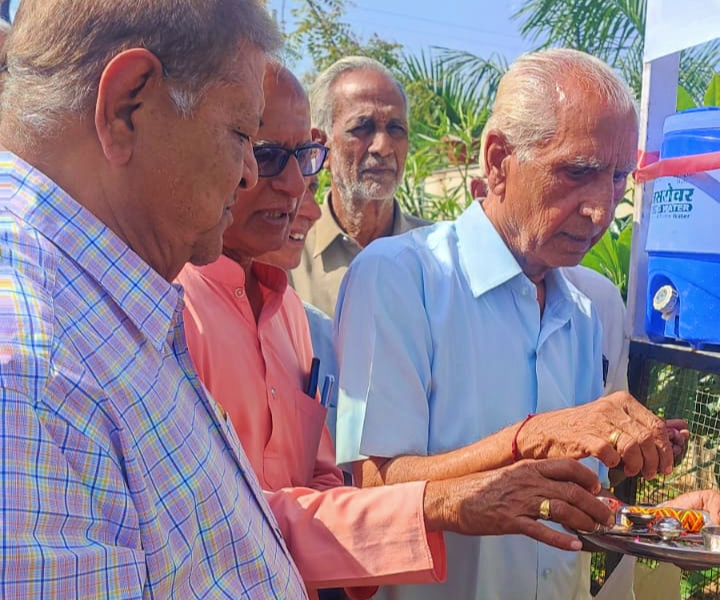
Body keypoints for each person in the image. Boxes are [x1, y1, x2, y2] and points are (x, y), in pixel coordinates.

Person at [177, 61, 616, 599]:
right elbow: (216, 520)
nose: (294, 186)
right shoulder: (173, 309)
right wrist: (465, 488)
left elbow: (324, 488)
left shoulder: (286, 311)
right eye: (266, 155)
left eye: (302, 157)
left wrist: (655, 521)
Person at [334, 48, 681, 600]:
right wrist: (528, 439)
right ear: (498, 161)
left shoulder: (591, 307)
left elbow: (581, 498)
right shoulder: (400, 277)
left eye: (619, 178)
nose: (601, 209)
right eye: (577, 172)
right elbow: (374, 488)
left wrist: (667, 513)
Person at [0, 1, 311, 597]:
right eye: (243, 135)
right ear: (127, 106)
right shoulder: (29, 373)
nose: (250, 173)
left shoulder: (93, 312)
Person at [290, 56, 429, 317]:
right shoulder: (288, 255)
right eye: (362, 128)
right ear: (322, 147)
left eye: (396, 128)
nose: (383, 147)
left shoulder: (439, 255)